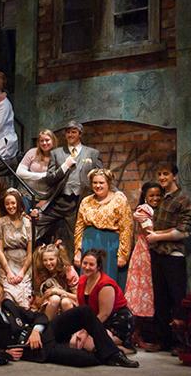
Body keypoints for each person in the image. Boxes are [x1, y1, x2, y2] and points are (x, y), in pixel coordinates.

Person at [0, 280, 138, 368]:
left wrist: (35, 331)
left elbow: (39, 316)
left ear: (2, 295)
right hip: (36, 350)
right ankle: (104, 355)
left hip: (45, 332)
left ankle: (114, 355)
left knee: (84, 311)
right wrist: (6, 354)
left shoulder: (8, 305)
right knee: (84, 360)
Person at [146, 163, 191, 353]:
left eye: (165, 174)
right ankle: (163, 341)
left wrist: (158, 236)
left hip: (173, 255)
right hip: (158, 254)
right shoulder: (162, 199)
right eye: (159, 174)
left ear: (174, 176)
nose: (162, 177)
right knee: (160, 299)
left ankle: (180, 343)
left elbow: (184, 231)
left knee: (177, 299)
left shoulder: (182, 199)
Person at [36, 121, 102, 249]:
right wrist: (65, 166)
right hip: (59, 201)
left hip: (79, 201)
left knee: (75, 237)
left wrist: (115, 192)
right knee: (36, 222)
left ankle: (74, 265)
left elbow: (102, 176)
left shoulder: (92, 153)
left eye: (74, 132)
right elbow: (49, 179)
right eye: (68, 132)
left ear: (80, 134)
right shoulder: (56, 153)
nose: (70, 134)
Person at [73, 168, 134, 289]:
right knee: (89, 281)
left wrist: (123, 254)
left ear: (108, 183)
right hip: (89, 243)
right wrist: (78, 251)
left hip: (110, 245)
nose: (98, 186)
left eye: (101, 183)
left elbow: (126, 227)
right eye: (95, 183)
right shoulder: (86, 201)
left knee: (107, 280)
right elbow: (79, 226)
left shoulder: (119, 200)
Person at [76, 249, 136, 354]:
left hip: (115, 321)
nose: (87, 267)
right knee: (74, 343)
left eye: (91, 264)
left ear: (98, 267)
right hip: (96, 321)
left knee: (88, 345)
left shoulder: (105, 284)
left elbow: (104, 314)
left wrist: (86, 331)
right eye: (85, 263)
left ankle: (123, 348)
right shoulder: (82, 280)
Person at [126, 182, 163, 350]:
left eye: (158, 195)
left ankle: (151, 334)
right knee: (141, 293)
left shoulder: (162, 209)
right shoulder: (143, 211)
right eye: (151, 195)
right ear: (145, 197)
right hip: (144, 255)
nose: (155, 198)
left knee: (154, 293)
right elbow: (151, 231)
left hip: (156, 253)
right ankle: (135, 334)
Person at [0, 189, 33, 308]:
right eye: (7, 204)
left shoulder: (27, 222)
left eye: (13, 203)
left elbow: (30, 252)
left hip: (24, 263)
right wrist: (8, 272)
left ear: (18, 203)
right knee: (8, 298)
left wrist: (22, 272)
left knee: (24, 300)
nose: (10, 206)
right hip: (7, 263)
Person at [32, 242, 79, 320]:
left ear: (58, 258)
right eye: (45, 260)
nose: (48, 263)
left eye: (51, 259)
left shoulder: (68, 270)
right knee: (55, 299)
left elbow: (78, 297)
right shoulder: (41, 272)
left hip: (68, 301)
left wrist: (58, 291)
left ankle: (71, 329)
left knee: (65, 302)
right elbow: (38, 302)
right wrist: (46, 295)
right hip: (48, 304)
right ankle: (46, 327)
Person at [16, 129, 58, 201]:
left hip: (47, 197)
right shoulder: (32, 152)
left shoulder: (58, 155)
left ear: (53, 141)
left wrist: (47, 200)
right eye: (41, 141)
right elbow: (19, 172)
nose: (44, 143)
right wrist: (43, 175)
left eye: (47, 140)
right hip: (27, 192)